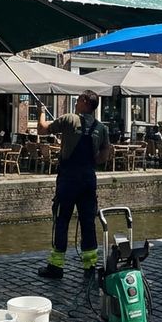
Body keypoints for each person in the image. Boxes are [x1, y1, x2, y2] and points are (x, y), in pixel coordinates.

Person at [36, 90, 112, 280]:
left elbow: (42, 129)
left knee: (62, 221)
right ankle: (90, 267)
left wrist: (41, 111)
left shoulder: (70, 119)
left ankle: (56, 267)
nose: (76, 103)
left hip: (69, 180)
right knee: (88, 223)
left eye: (78, 100)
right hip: (88, 180)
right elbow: (104, 155)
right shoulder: (101, 128)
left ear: (85, 102)